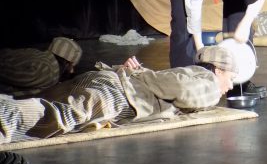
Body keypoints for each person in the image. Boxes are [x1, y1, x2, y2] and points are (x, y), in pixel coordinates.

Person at [0, 46, 237, 145]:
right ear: (218, 70)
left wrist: (137, 72)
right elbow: (182, 90)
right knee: (61, 117)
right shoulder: (209, 83)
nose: (231, 84)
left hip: (111, 83)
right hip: (118, 94)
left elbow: (172, 86)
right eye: (231, 76)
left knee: (45, 104)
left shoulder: (192, 73)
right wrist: (140, 72)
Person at [0, 37, 83, 95]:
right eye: (72, 66)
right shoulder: (49, 71)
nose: (72, 71)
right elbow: (13, 76)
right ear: (68, 63)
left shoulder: (35, 52)